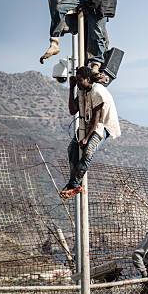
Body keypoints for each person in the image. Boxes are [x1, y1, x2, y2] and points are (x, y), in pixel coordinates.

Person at [60, 66, 120, 198]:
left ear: (88, 79)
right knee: (72, 149)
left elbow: (96, 118)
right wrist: (71, 88)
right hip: (87, 125)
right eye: (77, 80)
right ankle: (74, 184)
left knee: (88, 151)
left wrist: (87, 138)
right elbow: (72, 110)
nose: (79, 83)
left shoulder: (97, 91)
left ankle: (73, 184)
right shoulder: (81, 90)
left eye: (80, 80)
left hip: (102, 125)